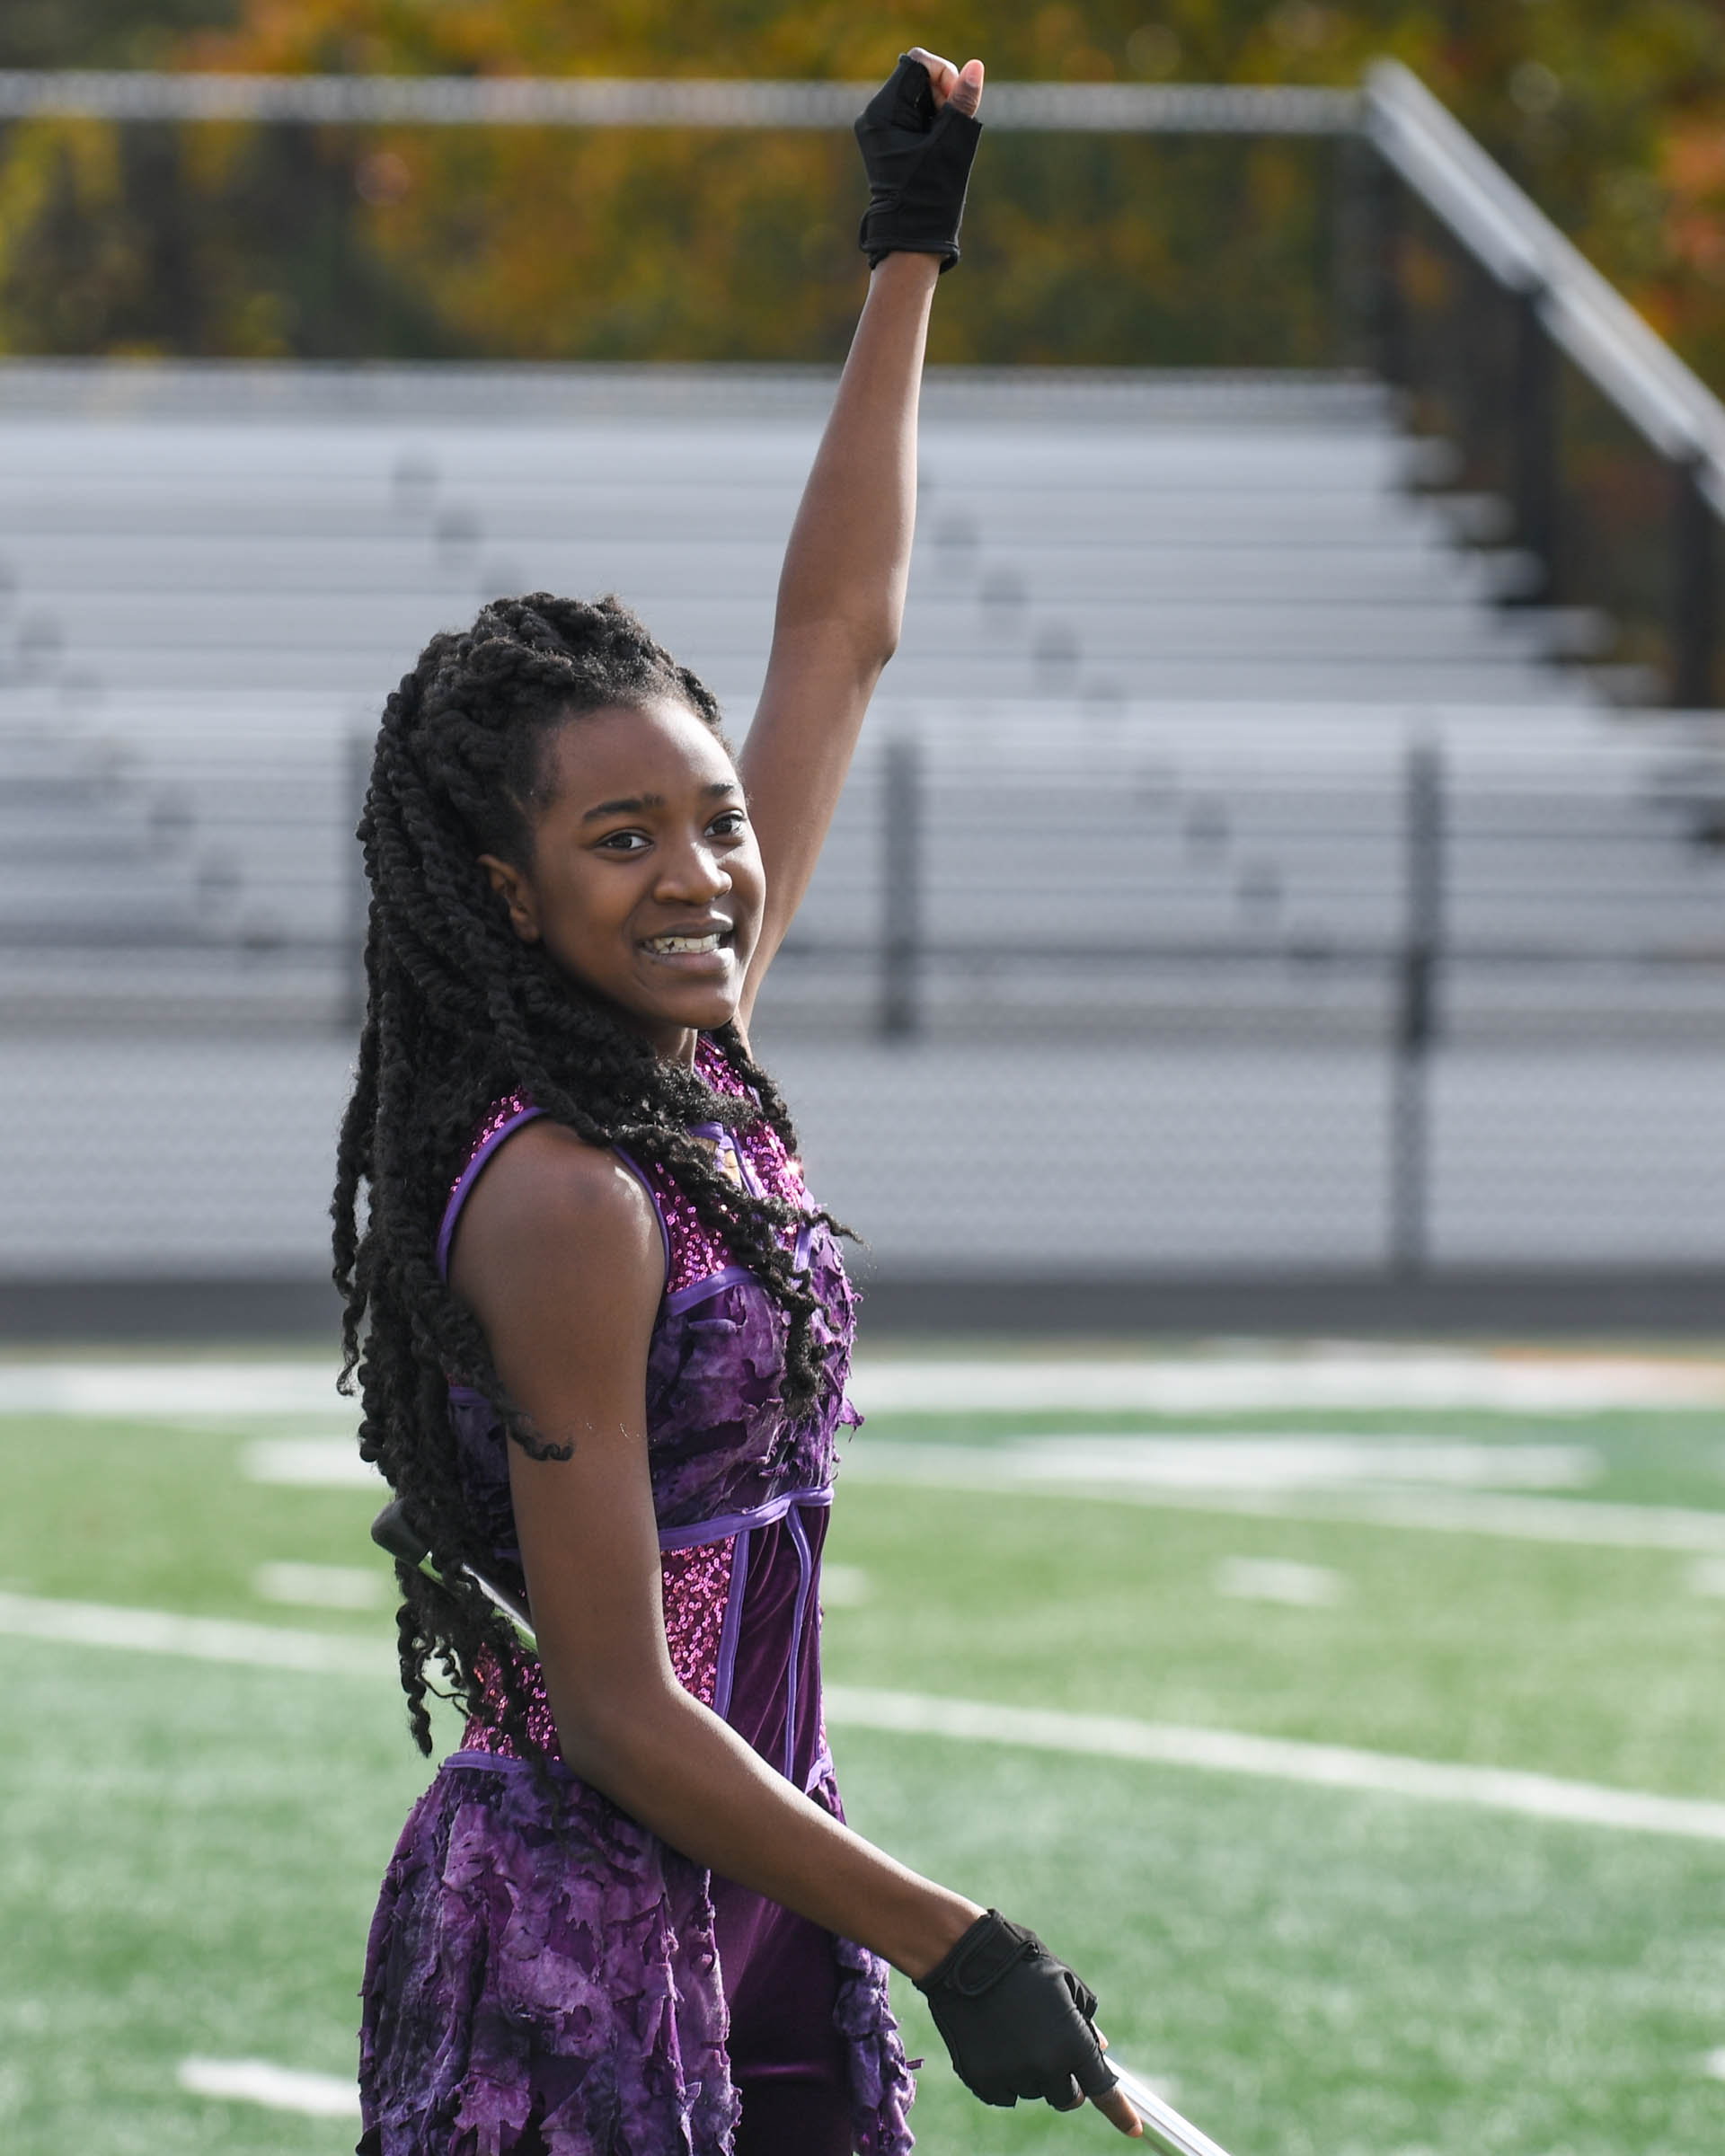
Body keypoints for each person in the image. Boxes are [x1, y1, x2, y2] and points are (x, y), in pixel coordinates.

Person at [337, 47, 1143, 2156]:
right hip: (592, 1923)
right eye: (622, 838)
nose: (700, 870)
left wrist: (907, 249)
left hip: (764, 1879)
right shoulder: (566, 1198)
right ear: (507, 892)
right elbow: (610, 1703)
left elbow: (839, 633)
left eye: (712, 819)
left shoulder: (689, 1063)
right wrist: (954, 1941)